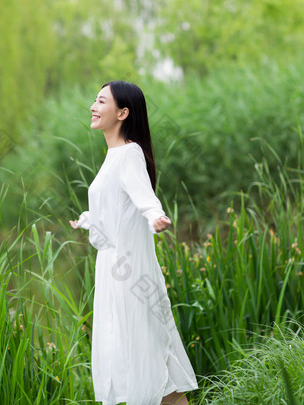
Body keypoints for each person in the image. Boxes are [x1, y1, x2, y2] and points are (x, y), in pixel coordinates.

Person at [70, 81, 198, 405]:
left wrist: (155, 215)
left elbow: (144, 197)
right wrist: (88, 219)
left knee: (146, 357)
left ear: (123, 113)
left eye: (101, 101)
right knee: (143, 361)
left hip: (127, 272)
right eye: (95, 100)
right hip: (113, 271)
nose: (93, 107)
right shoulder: (113, 156)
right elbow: (117, 204)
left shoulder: (129, 154)